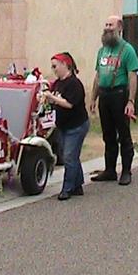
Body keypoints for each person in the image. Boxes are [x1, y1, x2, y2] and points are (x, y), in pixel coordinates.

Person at [89, 15, 138, 186]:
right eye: (106, 24)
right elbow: (98, 76)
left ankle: (126, 171)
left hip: (119, 95)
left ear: (119, 28)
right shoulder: (102, 51)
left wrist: (131, 101)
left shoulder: (127, 50)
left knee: (124, 135)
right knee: (108, 135)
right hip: (104, 96)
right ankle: (110, 170)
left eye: (111, 25)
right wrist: (93, 98)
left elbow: (132, 76)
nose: (107, 28)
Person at [42, 52, 89, 201]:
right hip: (63, 126)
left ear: (64, 65)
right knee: (71, 155)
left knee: (69, 157)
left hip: (77, 125)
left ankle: (67, 189)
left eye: (55, 66)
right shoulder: (58, 83)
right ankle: (77, 185)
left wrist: (52, 98)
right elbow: (54, 100)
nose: (53, 69)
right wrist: (46, 98)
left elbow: (69, 104)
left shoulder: (74, 84)